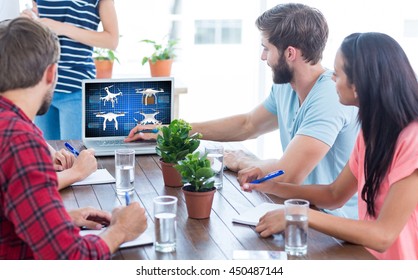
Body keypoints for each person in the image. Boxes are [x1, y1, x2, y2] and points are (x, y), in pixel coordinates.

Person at [125, 3, 360, 219]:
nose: (263, 56)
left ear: (290, 53)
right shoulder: (286, 87)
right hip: (297, 209)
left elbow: (287, 176)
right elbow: (248, 125)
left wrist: (247, 160)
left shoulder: (330, 95)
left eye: (266, 48)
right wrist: (175, 129)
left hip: (332, 227)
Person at [243, 32, 418, 260]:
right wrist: (270, 186)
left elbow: (383, 235)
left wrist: (299, 214)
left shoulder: (412, 139)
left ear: (359, 85)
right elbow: (334, 194)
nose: (332, 79)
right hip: (366, 258)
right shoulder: (371, 133)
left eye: (338, 73)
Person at [0, 17, 147, 259]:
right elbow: (69, 258)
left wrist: (59, 220)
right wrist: (121, 230)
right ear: (51, 73)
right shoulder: (20, 140)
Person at [22, 0, 119, 140]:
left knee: (73, 155)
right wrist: (28, 24)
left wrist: (62, 28)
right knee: (48, 158)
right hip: (42, 88)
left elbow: (111, 40)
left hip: (76, 90)